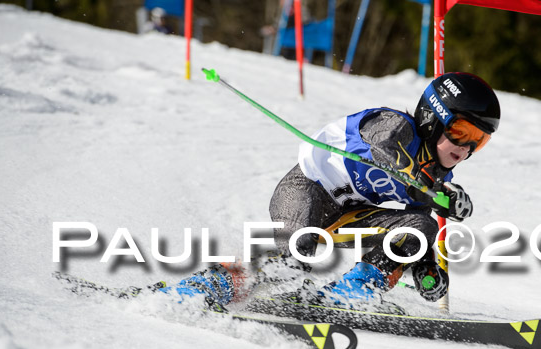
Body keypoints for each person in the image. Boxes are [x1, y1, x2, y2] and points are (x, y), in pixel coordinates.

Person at [161, 72, 500, 311]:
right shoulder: (395, 125)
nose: (466, 148)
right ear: (433, 118)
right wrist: (435, 188)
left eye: (478, 141)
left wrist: (426, 269)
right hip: (307, 191)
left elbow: (413, 231)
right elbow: (383, 148)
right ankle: (208, 287)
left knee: (421, 226)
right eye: (461, 131)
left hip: (350, 215)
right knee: (294, 260)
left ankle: (354, 291)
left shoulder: (437, 172)